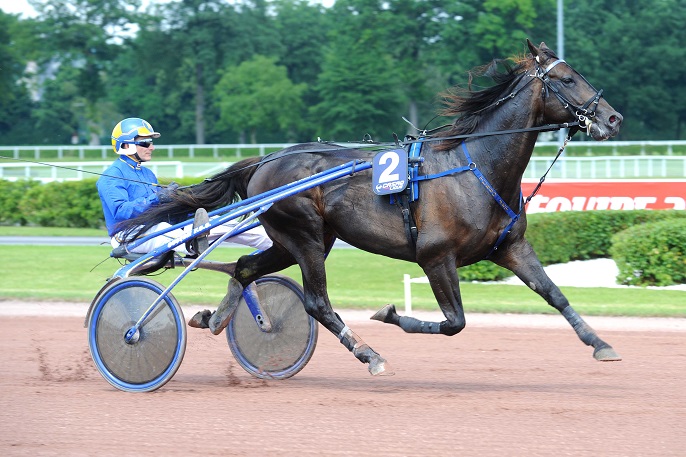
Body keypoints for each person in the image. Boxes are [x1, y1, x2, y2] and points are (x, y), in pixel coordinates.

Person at [97, 117, 272, 257]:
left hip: (154, 227)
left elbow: (159, 209)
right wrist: (158, 197)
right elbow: (121, 211)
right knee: (165, 229)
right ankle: (192, 243)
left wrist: (180, 200)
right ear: (126, 145)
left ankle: (277, 245)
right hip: (127, 236)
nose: (152, 147)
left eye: (150, 142)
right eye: (145, 142)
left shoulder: (147, 174)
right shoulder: (110, 176)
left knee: (224, 222)